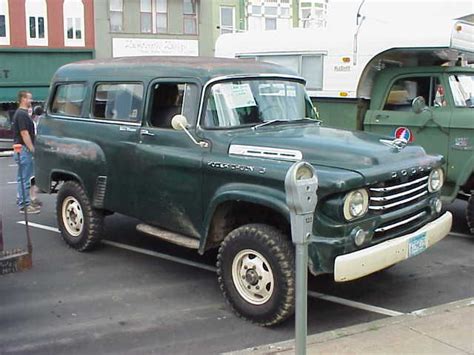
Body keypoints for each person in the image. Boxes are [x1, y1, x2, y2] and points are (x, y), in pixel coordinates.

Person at [12, 90, 40, 214]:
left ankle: (22, 201)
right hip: (24, 149)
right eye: (29, 98)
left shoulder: (19, 114)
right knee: (25, 178)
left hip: (19, 149)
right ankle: (25, 205)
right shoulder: (22, 114)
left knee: (22, 177)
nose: (31, 101)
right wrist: (32, 149)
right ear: (23, 99)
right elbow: (24, 133)